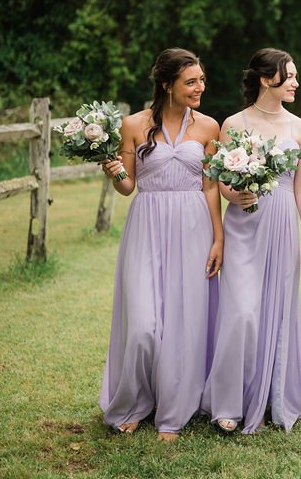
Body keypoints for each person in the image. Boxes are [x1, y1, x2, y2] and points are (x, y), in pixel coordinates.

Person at [98, 48, 223, 442]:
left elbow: (210, 185)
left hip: (193, 227)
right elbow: (127, 187)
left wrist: (218, 237)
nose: (200, 87)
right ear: (167, 85)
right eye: (191, 81)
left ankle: (173, 409)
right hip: (147, 227)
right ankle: (134, 401)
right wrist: (114, 172)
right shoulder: (133, 125)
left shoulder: (208, 127)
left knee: (184, 322)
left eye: (202, 80)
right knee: (143, 326)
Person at [203, 48, 301, 434]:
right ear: (268, 80)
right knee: (242, 312)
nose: (296, 83)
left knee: (276, 311)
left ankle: (272, 396)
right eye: (290, 76)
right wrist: (233, 195)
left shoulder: (300, 127)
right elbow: (219, 179)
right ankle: (228, 402)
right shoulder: (233, 123)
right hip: (244, 225)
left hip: (283, 221)